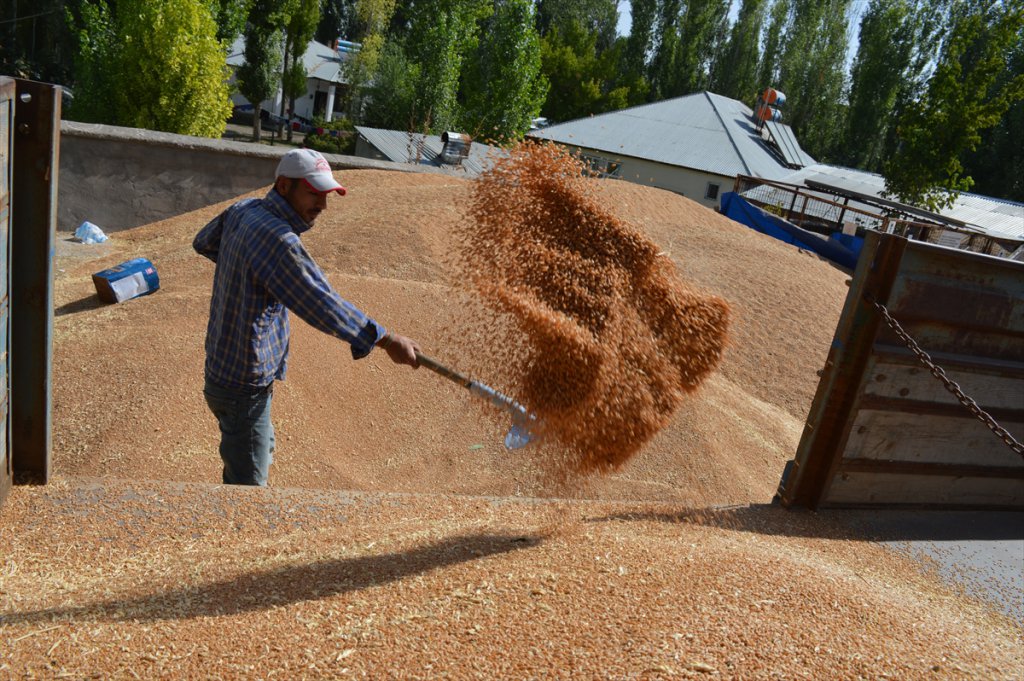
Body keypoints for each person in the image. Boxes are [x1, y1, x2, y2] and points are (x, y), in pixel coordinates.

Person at [193, 148, 420, 486]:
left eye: (326, 195)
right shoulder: (279, 241)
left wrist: (245, 271)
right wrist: (385, 339)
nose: (323, 205)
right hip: (243, 386)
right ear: (284, 186)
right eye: (314, 193)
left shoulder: (244, 210)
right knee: (246, 493)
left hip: (221, 372)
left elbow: (204, 242)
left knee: (255, 455)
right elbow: (321, 303)